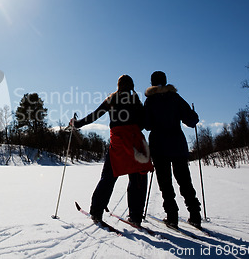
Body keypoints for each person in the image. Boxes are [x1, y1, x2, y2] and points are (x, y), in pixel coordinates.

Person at [72, 75, 153, 226]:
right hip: (135, 143)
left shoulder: (111, 99)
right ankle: (135, 216)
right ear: (131, 86)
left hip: (118, 143)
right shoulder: (135, 100)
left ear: (118, 86)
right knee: (137, 178)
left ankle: (96, 211)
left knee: (108, 176)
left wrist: (77, 124)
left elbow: (94, 116)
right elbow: (144, 123)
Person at [144, 71, 202, 228]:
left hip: (159, 146)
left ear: (152, 83)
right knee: (184, 181)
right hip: (178, 146)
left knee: (165, 183)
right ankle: (195, 215)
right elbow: (191, 121)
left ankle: (172, 216)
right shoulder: (175, 98)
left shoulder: (150, 100)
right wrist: (194, 115)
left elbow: (147, 125)